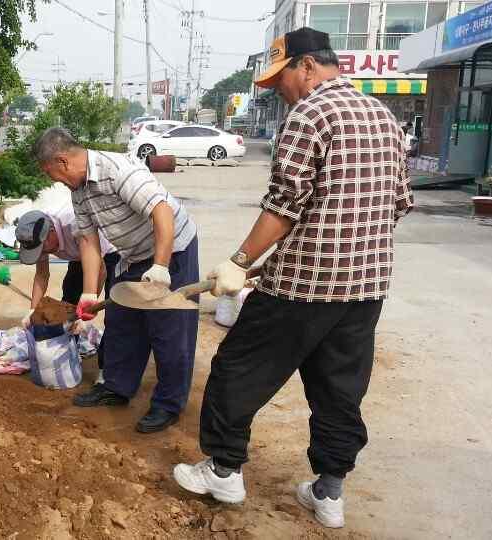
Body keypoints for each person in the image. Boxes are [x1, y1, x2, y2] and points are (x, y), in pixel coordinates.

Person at [172, 27, 414, 529]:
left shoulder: (311, 113)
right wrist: (332, 246)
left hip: (303, 288)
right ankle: (329, 492)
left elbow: (283, 207)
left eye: (279, 79)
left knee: (237, 369)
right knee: (339, 391)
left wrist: (240, 259)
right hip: (365, 288)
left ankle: (223, 469)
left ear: (305, 67)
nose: (277, 90)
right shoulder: (386, 119)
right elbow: (398, 204)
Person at [32, 127, 199, 434]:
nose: (52, 179)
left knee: (169, 330)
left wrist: (161, 267)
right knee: (122, 321)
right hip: (133, 255)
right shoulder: (78, 190)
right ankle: (117, 387)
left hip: (172, 248)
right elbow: (88, 240)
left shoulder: (118, 170)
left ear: (62, 161)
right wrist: (88, 293)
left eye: (50, 172)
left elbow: (162, 212)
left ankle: (168, 404)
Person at [14, 207, 120, 383]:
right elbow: (42, 275)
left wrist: (87, 309)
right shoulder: (39, 236)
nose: (42, 253)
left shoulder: (74, 224)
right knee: (66, 308)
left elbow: (100, 270)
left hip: (110, 254)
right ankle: (68, 354)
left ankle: (108, 372)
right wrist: (32, 310)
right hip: (78, 256)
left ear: (51, 232)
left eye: (42, 248)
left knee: (116, 315)